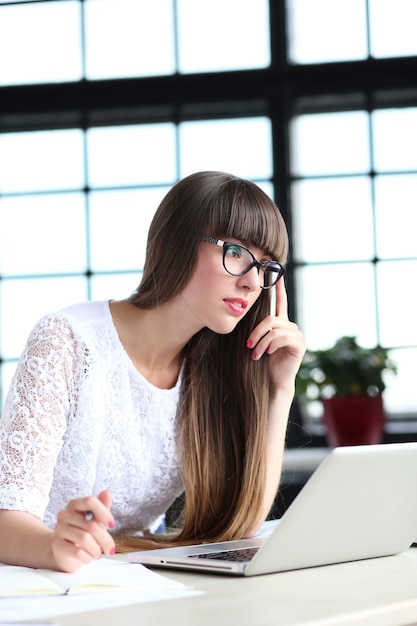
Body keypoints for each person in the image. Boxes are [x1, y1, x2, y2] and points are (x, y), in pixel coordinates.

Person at [0, 170, 305, 573]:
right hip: (39, 582)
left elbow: (242, 523)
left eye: (267, 267)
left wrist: (280, 389)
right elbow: (5, 523)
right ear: (174, 243)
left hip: (135, 583)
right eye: (235, 252)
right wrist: (56, 547)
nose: (252, 282)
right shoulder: (68, 341)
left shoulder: (213, 369)